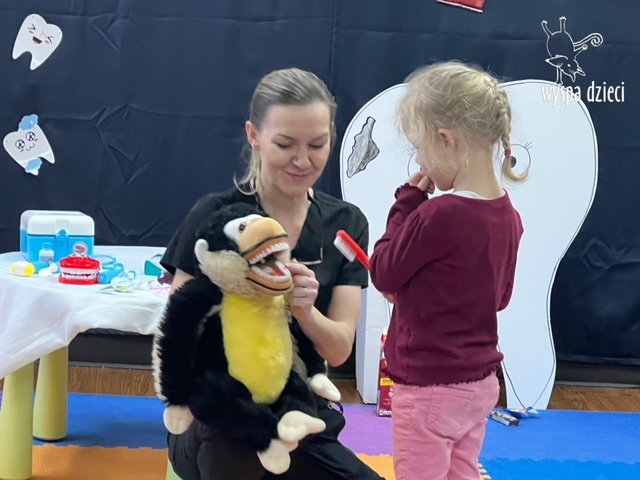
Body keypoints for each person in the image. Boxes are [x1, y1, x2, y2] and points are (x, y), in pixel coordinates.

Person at [160, 67, 385, 480]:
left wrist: (305, 311)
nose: (303, 160)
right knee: (233, 449)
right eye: (285, 144)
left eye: (317, 144)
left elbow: (338, 350)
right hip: (218, 417)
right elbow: (177, 329)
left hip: (298, 418)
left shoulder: (345, 223)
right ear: (254, 136)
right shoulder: (215, 217)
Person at [369, 61, 527, 480]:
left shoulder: (437, 214)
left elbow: (383, 270)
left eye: (418, 147)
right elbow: (498, 297)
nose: (420, 160)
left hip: (429, 388)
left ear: (445, 140)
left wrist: (406, 201)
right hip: (479, 385)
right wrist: (418, 290)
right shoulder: (509, 216)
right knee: (462, 473)